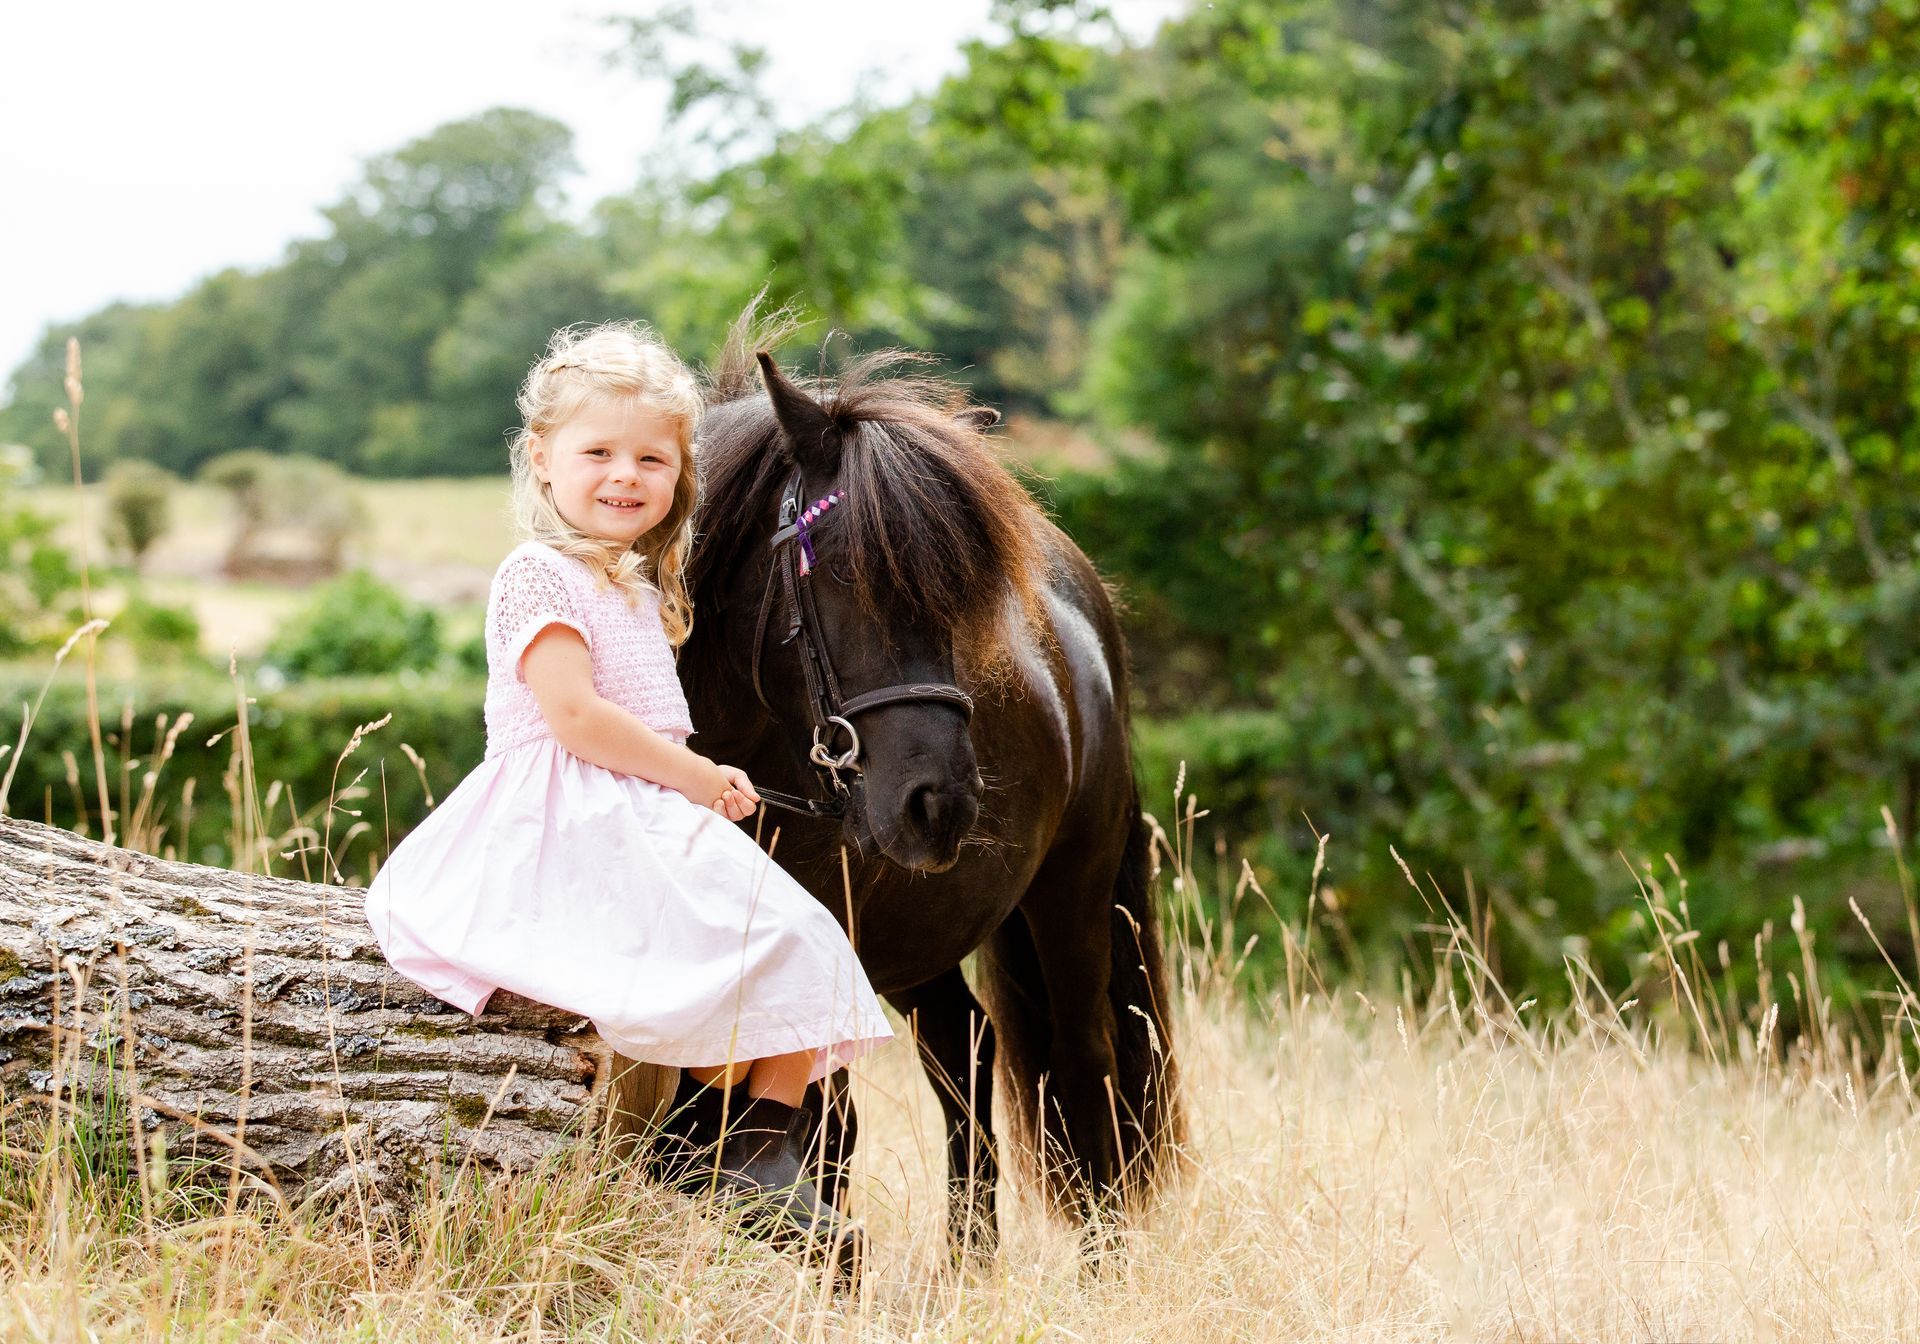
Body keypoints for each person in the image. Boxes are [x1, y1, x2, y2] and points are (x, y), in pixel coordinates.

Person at [363, 321, 892, 1269]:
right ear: (542, 459)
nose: (625, 475)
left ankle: (754, 1147)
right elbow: (574, 718)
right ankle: (741, 1149)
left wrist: (687, 788)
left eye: (652, 457)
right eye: (598, 452)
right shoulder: (539, 574)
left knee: (804, 940)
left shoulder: (638, 585)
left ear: (680, 473)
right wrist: (694, 774)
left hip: (635, 810)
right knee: (779, 936)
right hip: (566, 815)